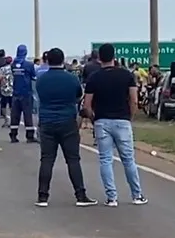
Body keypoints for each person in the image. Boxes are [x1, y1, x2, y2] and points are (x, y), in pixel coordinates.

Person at [82, 43, 148, 207]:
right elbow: (134, 100)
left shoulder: (94, 78)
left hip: (102, 121)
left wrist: (93, 118)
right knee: (128, 160)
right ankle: (136, 195)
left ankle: (112, 197)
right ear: (114, 57)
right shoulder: (126, 76)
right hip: (122, 120)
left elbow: (87, 105)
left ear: (99, 58)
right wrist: (130, 116)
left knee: (105, 159)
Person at [35, 48, 97, 207]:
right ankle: (80, 195)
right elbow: (78, 96)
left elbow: (40, 96)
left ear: (48, 60)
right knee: (73, 159)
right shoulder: (71, 79)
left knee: (47, 159)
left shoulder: (41, 79)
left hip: (47, 122)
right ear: (63, 60)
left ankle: (43, 196)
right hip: (67, 122)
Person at [9, 44, 37, 143]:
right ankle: (29, 136)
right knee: (27, 115)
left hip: (16, 92)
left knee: (15, 115)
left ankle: (13, 135)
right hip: (26, 93)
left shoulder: (12, 64)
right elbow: (34, 76)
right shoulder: (29, 65)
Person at [0, 56, 13, 128]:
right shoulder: (13, 68)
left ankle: (6, 120)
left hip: (4, 89)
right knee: (12, 106)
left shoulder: (2, 69)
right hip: (12, 89)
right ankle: (12, 120)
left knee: (3, 105)